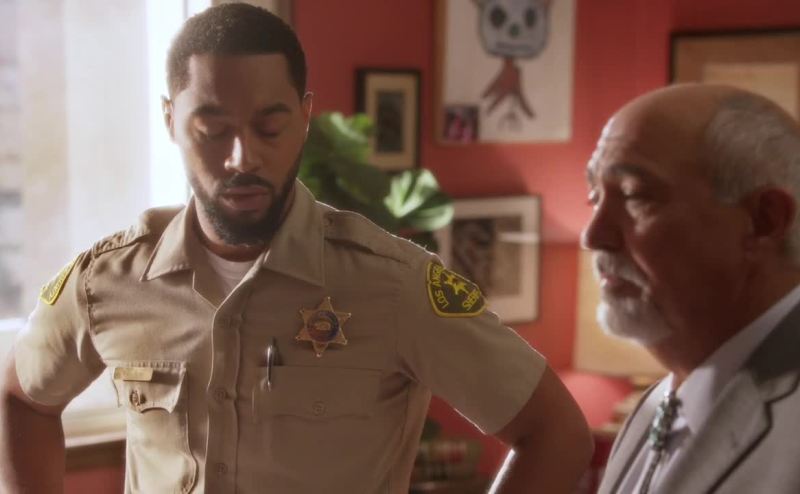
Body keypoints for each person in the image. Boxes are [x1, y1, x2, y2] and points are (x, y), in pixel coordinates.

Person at [0, 4, 592, 493]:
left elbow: (557, 434)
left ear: (306, 117)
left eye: (269, 126)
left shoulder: (395, 285)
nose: (242, 157)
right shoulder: (109, 281)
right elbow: (21, 399)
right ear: (170, 121)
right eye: (213, 129)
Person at [584, 83, 800, 494]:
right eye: (594, 197)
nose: (594, 235)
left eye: (634, 196)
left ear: (764, 220)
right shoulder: (652, 408)